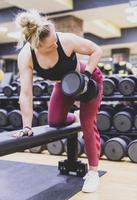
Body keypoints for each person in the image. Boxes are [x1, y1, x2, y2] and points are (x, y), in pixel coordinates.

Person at [14, 9, 103, 193]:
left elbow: (96, 50)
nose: (55, 44)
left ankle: (93, 172)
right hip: (63, 85)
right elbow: (26, 93)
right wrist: (27, 126)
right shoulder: (26, 56)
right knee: (54, 122)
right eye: (50, 45)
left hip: (88, 79)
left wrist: (86, 76)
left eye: (55, 40)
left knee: (88, 123)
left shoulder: (66, 40)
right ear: (36, 46)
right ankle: (76, 116)